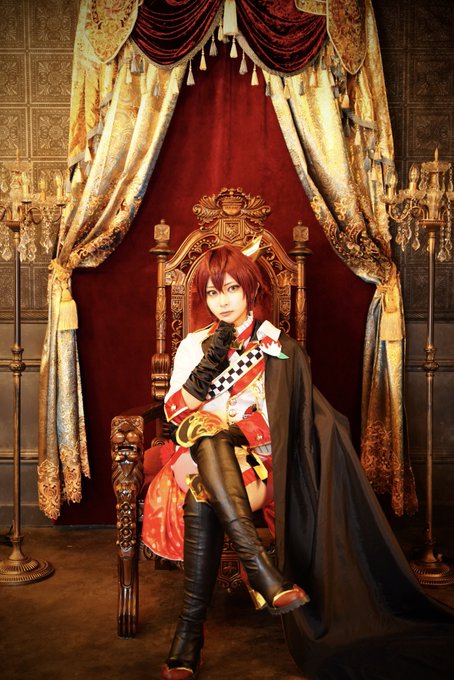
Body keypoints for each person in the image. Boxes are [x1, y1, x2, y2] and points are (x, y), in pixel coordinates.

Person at [142, 244, 454, 680]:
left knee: (202, 492)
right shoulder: (194, 345)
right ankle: (262, 574)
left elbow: (289, 417)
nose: (223, 301)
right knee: (204, 439)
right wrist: (208, 367)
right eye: (213, 293)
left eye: (232, 289)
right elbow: (176, 413)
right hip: (196, 454)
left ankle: (190, 633)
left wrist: (232, 424)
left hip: (259, 460)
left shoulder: (276, 346)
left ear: (251, 289)